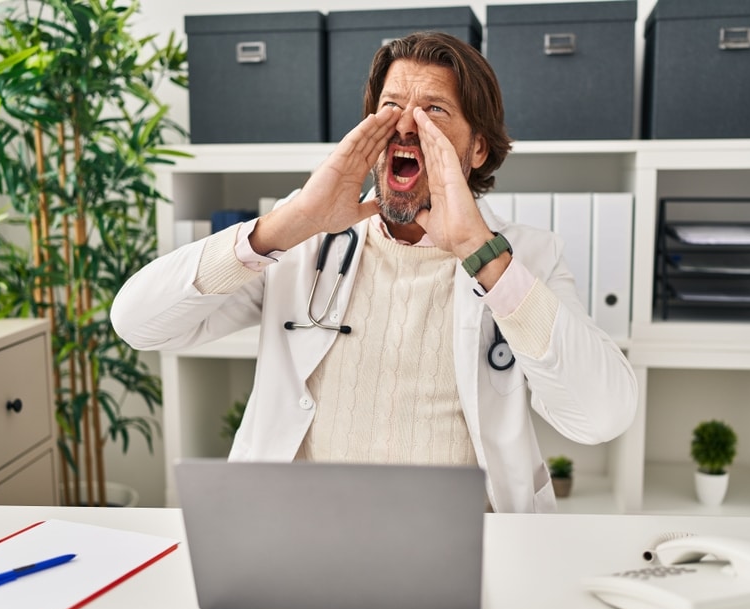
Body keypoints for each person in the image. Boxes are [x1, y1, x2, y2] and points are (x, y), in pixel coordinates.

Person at [111, 32, 637, 512]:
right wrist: (288, 222)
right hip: (300, 534)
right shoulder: (302, 242)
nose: (406, 125)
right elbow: (138, 323)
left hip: (466, 546)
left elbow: (601, 417)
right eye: (391, 108)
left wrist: (482, 253)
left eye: (434, 110)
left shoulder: (527, 257)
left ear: (477, 148)